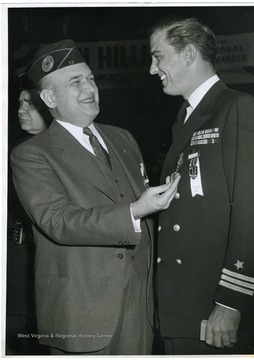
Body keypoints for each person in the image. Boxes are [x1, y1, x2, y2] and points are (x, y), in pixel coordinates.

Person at [10, 39, 180, 356]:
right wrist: (134, 210)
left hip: (138, 307)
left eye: (90, 78)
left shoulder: (123, 138)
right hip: (80, 310)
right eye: (76, 82)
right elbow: (58, 221)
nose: (89, 88)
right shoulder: (31, 155)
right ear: (49, 97)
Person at [149, 16, 254, 354]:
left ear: (188, 54)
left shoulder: (237, 109)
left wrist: (231, 302)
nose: (152, 68)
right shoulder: (186, 118)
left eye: (158, 56)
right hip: (182, 305)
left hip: (211, 308)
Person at [6, 71, 52, 355]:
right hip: (14, 266)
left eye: (29, 104)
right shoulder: (14, 150)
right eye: (19, 103)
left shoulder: (63, 153)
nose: (20, 110)